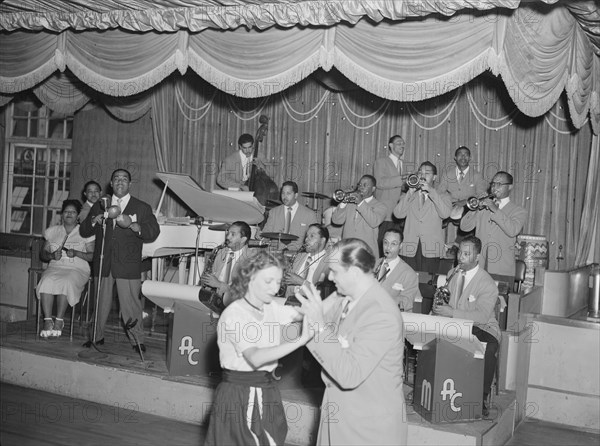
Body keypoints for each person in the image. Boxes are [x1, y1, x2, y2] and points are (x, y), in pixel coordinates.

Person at [296, 238, 407, 445]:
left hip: (367, 429)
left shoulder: (381, 314)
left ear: (354, 273)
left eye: (335, 271)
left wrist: (320, 326)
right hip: (338, 419)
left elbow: (349, 374)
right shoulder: (344, 297)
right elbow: (310, 325)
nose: (329, 276)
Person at [204, 251, 310, 446]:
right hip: (239, 394)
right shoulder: (235, 314)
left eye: (278, 282)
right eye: (269, 281)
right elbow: (255, 357)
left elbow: (303, 313)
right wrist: (301, 340)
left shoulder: (270, 307)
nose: (275, 288)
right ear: (251, 279)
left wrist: (343, 299)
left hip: (267, 390)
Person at [80, 169, 160, 352]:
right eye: (116, 179)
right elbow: (84, 231)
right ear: (111, 183)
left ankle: (137, 340)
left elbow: (153, 231)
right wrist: (94, 221)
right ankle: (96, 337)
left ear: (130, 184)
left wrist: (135, 226)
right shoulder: (101, 205)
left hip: (128, 264)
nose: (120, 182)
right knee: (100, 303)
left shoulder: (141, 207)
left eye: (124, 179)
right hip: (103, 262)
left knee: (131, 304)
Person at [432, 236, 500, 417]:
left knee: (490, 346)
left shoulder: (487, 283)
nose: (460, 257)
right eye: (460, 252)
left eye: (467, 254)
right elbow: (447, 302)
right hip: (456, 323)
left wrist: (451, 313)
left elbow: (482, 316)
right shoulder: (452, 274)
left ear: (477, 257)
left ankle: (480, 398)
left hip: (482, 327)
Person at [36, 199, 95, 337]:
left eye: (73, 212)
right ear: (62, 214)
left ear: (78, 215)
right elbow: (43, 255)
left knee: (66, 281)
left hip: (77, 269)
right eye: (66, 211)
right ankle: (47, 320)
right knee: (46, 280)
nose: (69, 214)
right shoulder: (52, 231)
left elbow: (92, 256)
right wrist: (51, 255)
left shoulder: (85, 232)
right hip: (56, 266)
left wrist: (77, 253)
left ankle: (59, 320)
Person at [460, 171, 527, 278]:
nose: (495, 187)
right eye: (493, 183)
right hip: (479, 266)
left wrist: (495, 209)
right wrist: (476, 209)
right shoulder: (483, 208)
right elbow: (464, 227)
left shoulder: (518, 211)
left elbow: (513, 230)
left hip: (502, 268)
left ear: (510, 187)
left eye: (499, 184)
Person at [394, 161, 452, 274]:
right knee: (408, 284)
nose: (422, 176)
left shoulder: (443, 196)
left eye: (427, 173)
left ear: (434, 177)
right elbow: (398, 214)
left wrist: (431, 192)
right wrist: (410, 192)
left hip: (431, 249)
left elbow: (445, 214)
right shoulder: (409, 195)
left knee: (427, 285)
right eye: (420, 172)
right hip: (409, 248)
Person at [438, 146, 487, 245]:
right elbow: (440, 191)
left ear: (470, 158)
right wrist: (447, 202)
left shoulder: (477, 175)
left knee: (470, 219)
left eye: (466, 155)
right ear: (455, 157)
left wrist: (465, 202)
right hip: (450, 204)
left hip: (468, 206)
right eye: (460, 154)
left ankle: (458, 246)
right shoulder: (447, 174)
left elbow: (481, 194)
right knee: (435, 214)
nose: (463, 157)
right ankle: (438, 245)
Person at [201, 221, 257, 308]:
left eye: (233, 234)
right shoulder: (220, 252)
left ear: (243, 239)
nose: (227, 237)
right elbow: (211, 274)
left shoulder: (252, 258)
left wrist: (219, 285)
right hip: (214, 299)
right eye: (228, 233)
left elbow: (246, 291)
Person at [331, 174, 387, 256]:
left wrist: (361, 203)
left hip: (367, 253)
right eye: (359, 185)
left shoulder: (380, 206)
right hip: (347, 250)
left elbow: (374, 222)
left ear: (373, 189)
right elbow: (336, 221)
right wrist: (343, 203)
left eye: (365, 185)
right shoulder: (350, 203)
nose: (361, 187)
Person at [258, 181, 318, 252]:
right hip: (275, 253)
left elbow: (315, 238)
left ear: (296, 195)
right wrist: (260, 235)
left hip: (298, 254)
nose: (284, 197)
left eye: (288, 193)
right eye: (283, 193)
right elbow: (266, 234)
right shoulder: (273, 212)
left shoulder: (309, 214)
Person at [374, 135, 407, 253]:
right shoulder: (381, 161)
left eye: (403, 144)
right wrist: (401, 179)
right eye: (399, 143)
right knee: (382, 246)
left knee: (395, 246)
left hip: (399, 213)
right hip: (385, 213)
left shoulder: (403, 164)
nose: (402, 145)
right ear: (390, 146)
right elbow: (379, 182)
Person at [375, 228, 422, 312]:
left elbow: (407, 302)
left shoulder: (409, 274)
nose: (388, 247)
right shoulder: (372, 265)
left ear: (400, 246)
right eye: (385, 242)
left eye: (393, 244)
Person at [284, 223, 332, 303]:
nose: (306, 239)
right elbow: (288, 285)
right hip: (290, 302)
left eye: (312, 236)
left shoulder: (330, 263)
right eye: (307, 236)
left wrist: (301, 282)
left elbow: (324, 293)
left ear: (323, 240)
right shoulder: (299, 256)